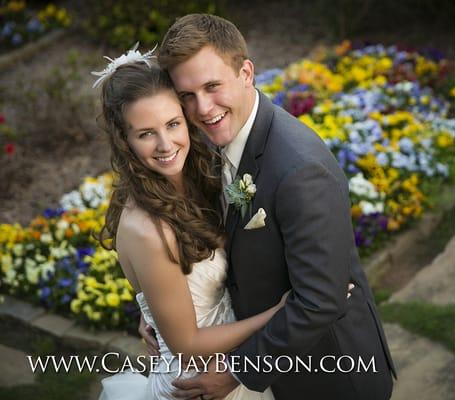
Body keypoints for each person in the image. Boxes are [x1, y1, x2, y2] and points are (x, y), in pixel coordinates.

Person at [147, 13, 397, 400]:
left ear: (246, 72)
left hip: (329, 375)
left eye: (213, 86)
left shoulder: (299, 170)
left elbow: (319, 300)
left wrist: (237, 372)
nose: (203, 108)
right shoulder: (212, 145)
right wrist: (163, 317)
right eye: (187, 96)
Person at [94, 48, 286, 399]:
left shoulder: (198, 176)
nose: (166, 144)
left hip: (232, 357)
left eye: (172, 124)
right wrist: (278, 314)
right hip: (200, 382)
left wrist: (152, 314)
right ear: (125, 141)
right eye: (146, 133)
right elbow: (188, 344)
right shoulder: (147, 228)